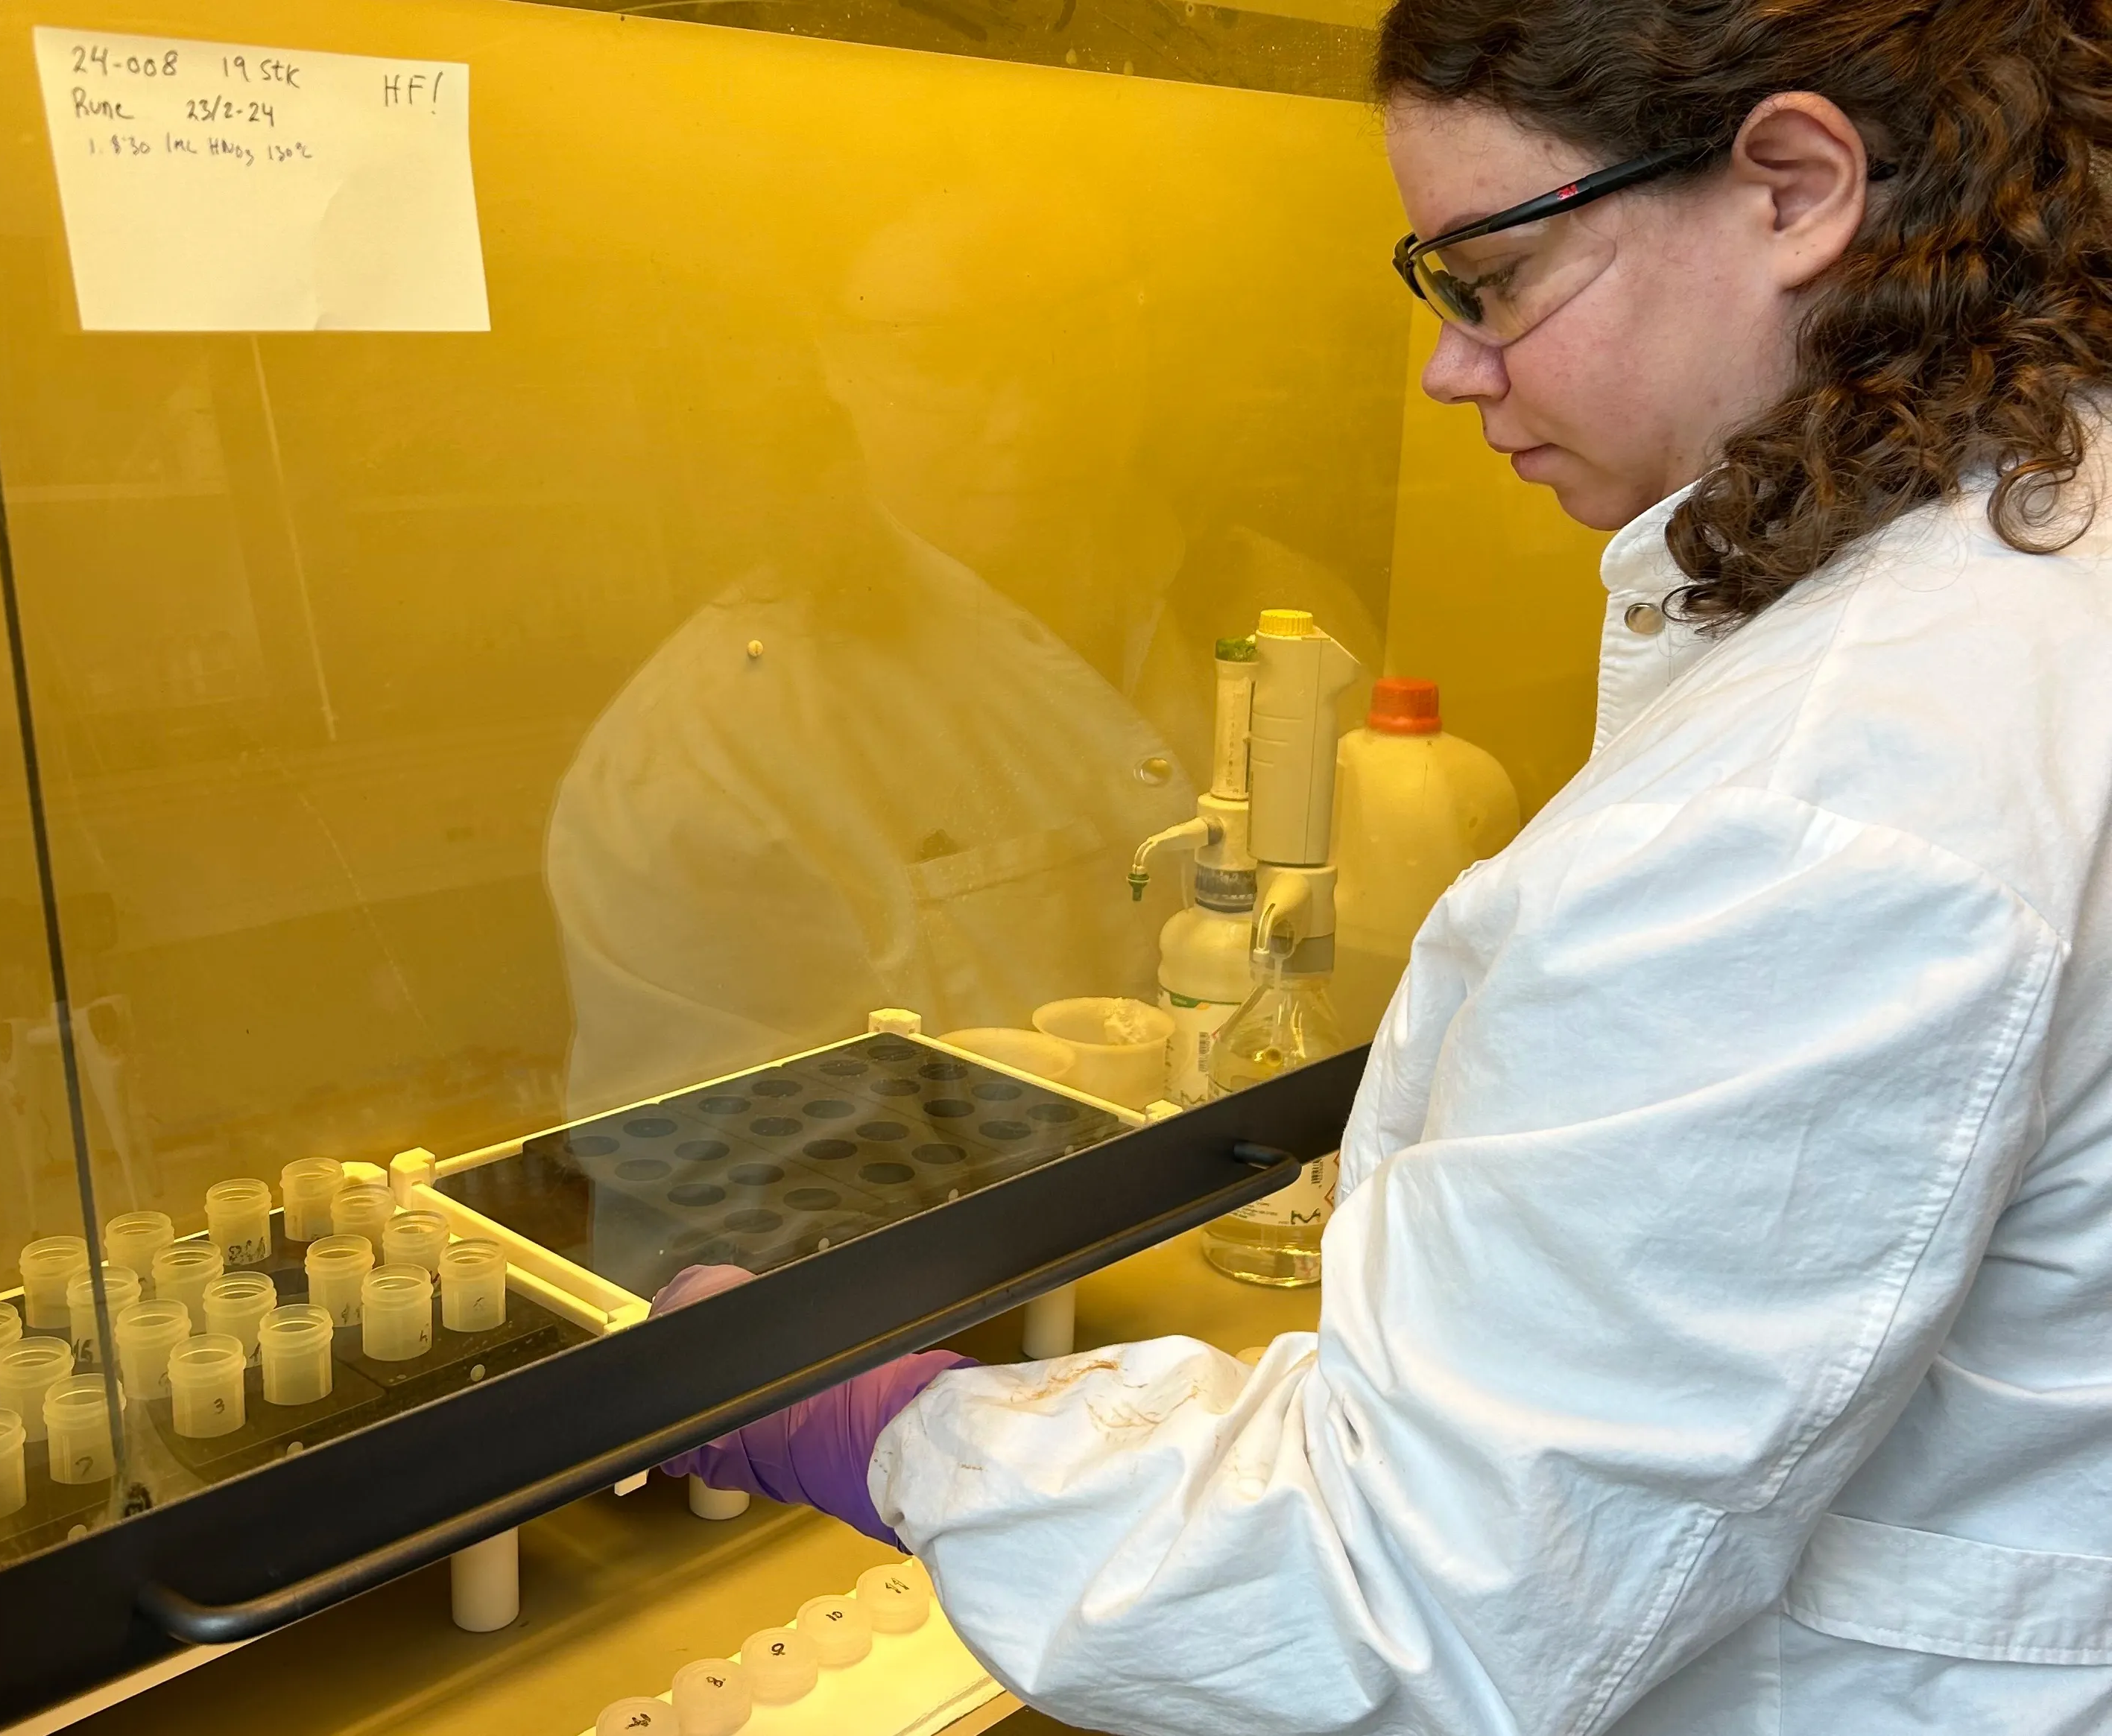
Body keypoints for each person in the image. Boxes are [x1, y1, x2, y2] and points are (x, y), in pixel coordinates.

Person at [652, 1, 2112, 1730]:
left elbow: (1400, 1596)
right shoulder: (2038, 551)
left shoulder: (1822, 793)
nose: (1453, 366)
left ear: (1791, 184)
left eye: (1492, 277)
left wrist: (880, 1420)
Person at [545, 187, 1379, 1118]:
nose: (1026, 413)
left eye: (1074, 337)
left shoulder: (1290, 614)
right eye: (942, 357)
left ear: (1144, 337)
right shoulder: (707, 748)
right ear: (832, 362)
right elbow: (728, 1195)